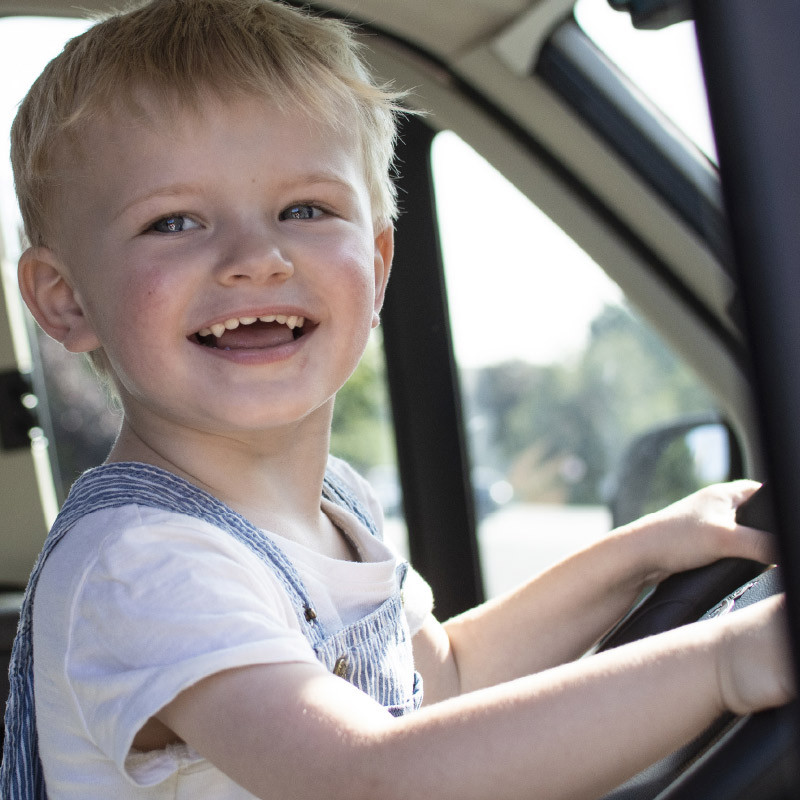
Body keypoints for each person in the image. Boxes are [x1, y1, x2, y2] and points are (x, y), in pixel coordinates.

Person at [0, 0, 793, 798]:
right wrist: (728, 664)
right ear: (64, 299)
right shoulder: (141, 564)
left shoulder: (335, 507)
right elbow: (371, 777)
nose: (257, 258)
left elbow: (443, 679)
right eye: (174, 221)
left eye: (305, 209)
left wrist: (650, 549)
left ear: (378, 267)